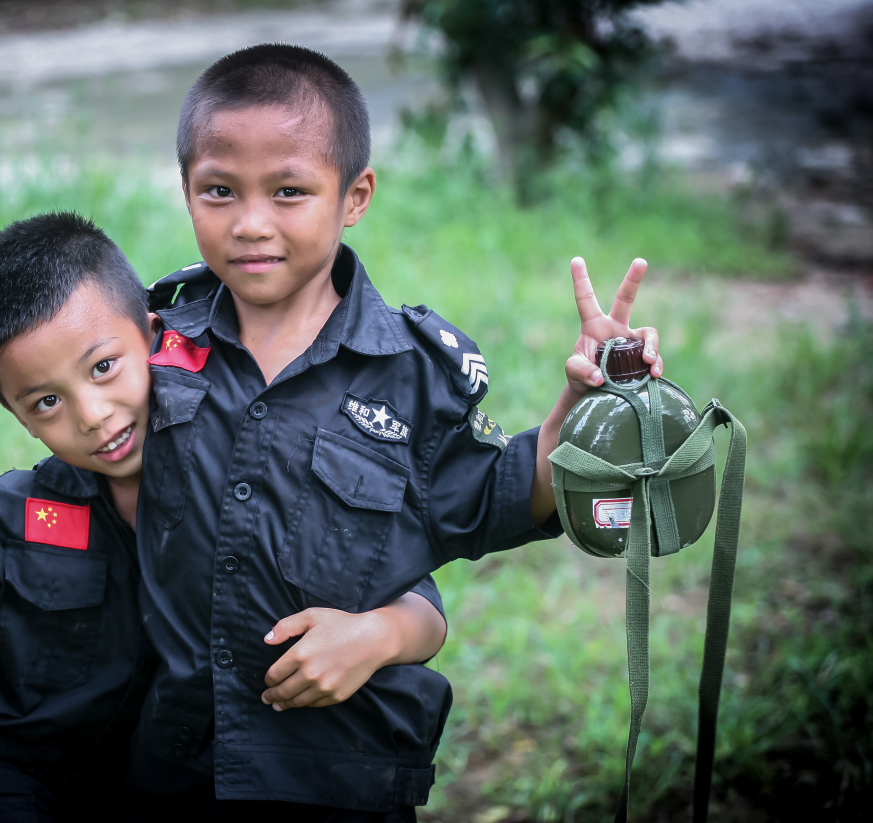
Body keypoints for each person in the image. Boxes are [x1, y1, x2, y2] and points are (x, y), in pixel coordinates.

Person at [126, 44, 665, 820]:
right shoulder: (149, 344)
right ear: (186, 189)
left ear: (355, 196)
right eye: (219, 190)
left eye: (288, 191)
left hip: (342, 775)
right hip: (167, 766)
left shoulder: (414, 373)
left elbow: (497, 501)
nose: (250, 223)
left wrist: (579, 406)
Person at [0, 212, 450, 821]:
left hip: (135, 782)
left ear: (153, 338)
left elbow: (414, 602)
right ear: (19, 418)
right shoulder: (24, 514)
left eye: (103, 367)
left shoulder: (252, 475)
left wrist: (375, 637)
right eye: (46, 402)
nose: (92, 414)